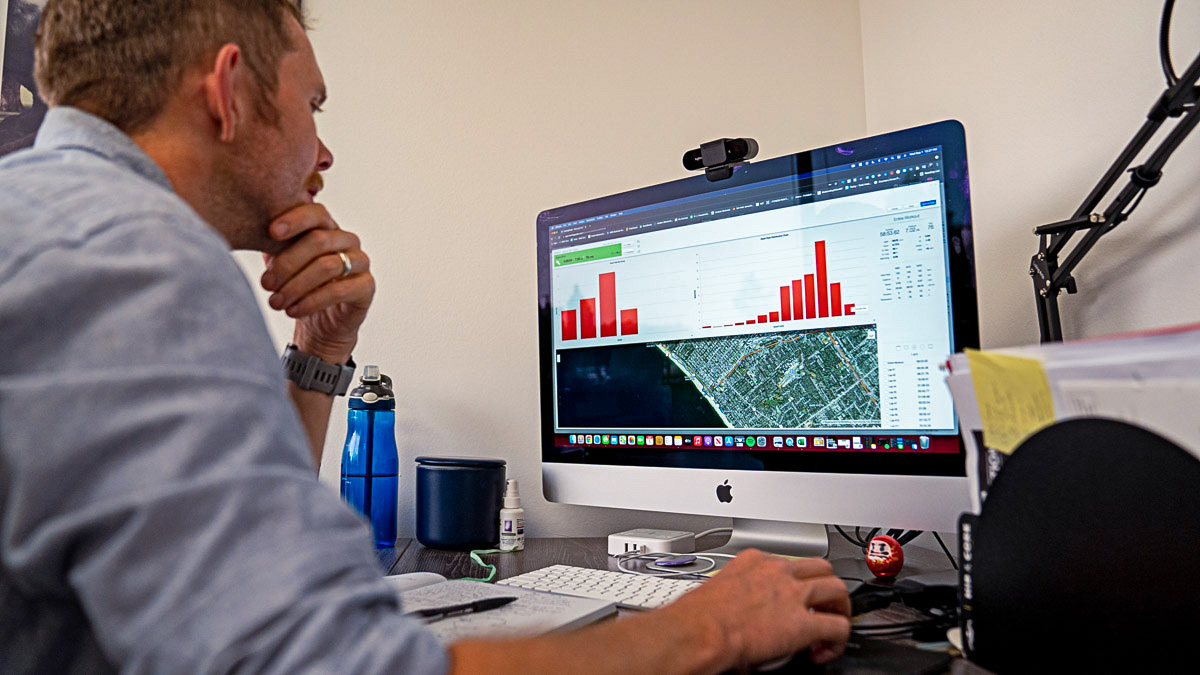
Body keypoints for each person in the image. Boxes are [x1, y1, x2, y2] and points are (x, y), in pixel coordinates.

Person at [0, 1, 851, 673]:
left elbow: (233, 565)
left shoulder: (53, 223)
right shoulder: (135, 261)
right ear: (227, 91)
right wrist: (702, 633)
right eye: (313, 104)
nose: (322, 151)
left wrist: (319, 353)